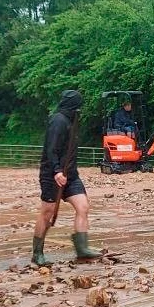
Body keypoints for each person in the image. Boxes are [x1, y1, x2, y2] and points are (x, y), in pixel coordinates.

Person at [32, 90, 101, 266]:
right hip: (51, 175)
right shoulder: (58, 121)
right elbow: (51, 149)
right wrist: (56, 171)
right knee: (47, 212)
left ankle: (82, 248)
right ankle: (37, 252)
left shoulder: (72, 122)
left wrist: (67, 173)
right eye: (78, 107)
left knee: (83, 206)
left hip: (70, 175)